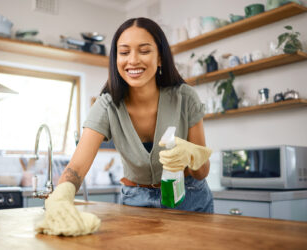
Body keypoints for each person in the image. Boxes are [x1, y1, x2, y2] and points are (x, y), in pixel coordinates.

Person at [58, 17, 213, 213]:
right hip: (136, 202)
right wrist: (61, 197)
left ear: (159, 58)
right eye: (124, 52)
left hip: (189, 199)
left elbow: (201, 173)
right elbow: (77, 167)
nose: (132, 60)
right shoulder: (107, 105)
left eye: (144, 51)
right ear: (116, 59)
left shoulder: (185, 97)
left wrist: (192, 155)